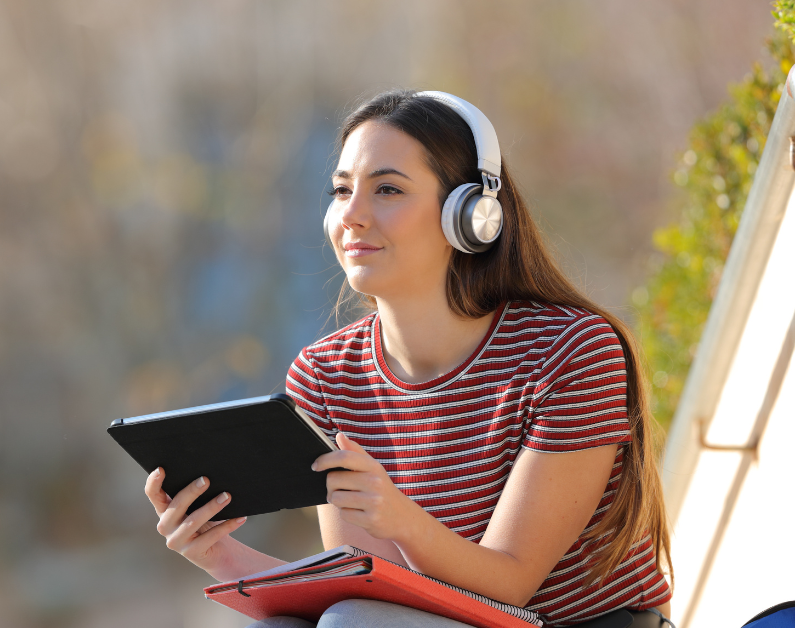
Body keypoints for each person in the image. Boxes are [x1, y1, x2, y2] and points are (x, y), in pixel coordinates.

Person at [142, 89, 674, 627]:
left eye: (388, 190)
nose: (351, 215)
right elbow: (371, 585)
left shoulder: (570, 352)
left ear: (471, 215)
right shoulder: (326, 377)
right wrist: (218, 555)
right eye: (341, 190)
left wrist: (399, 517)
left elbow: (511, 586)